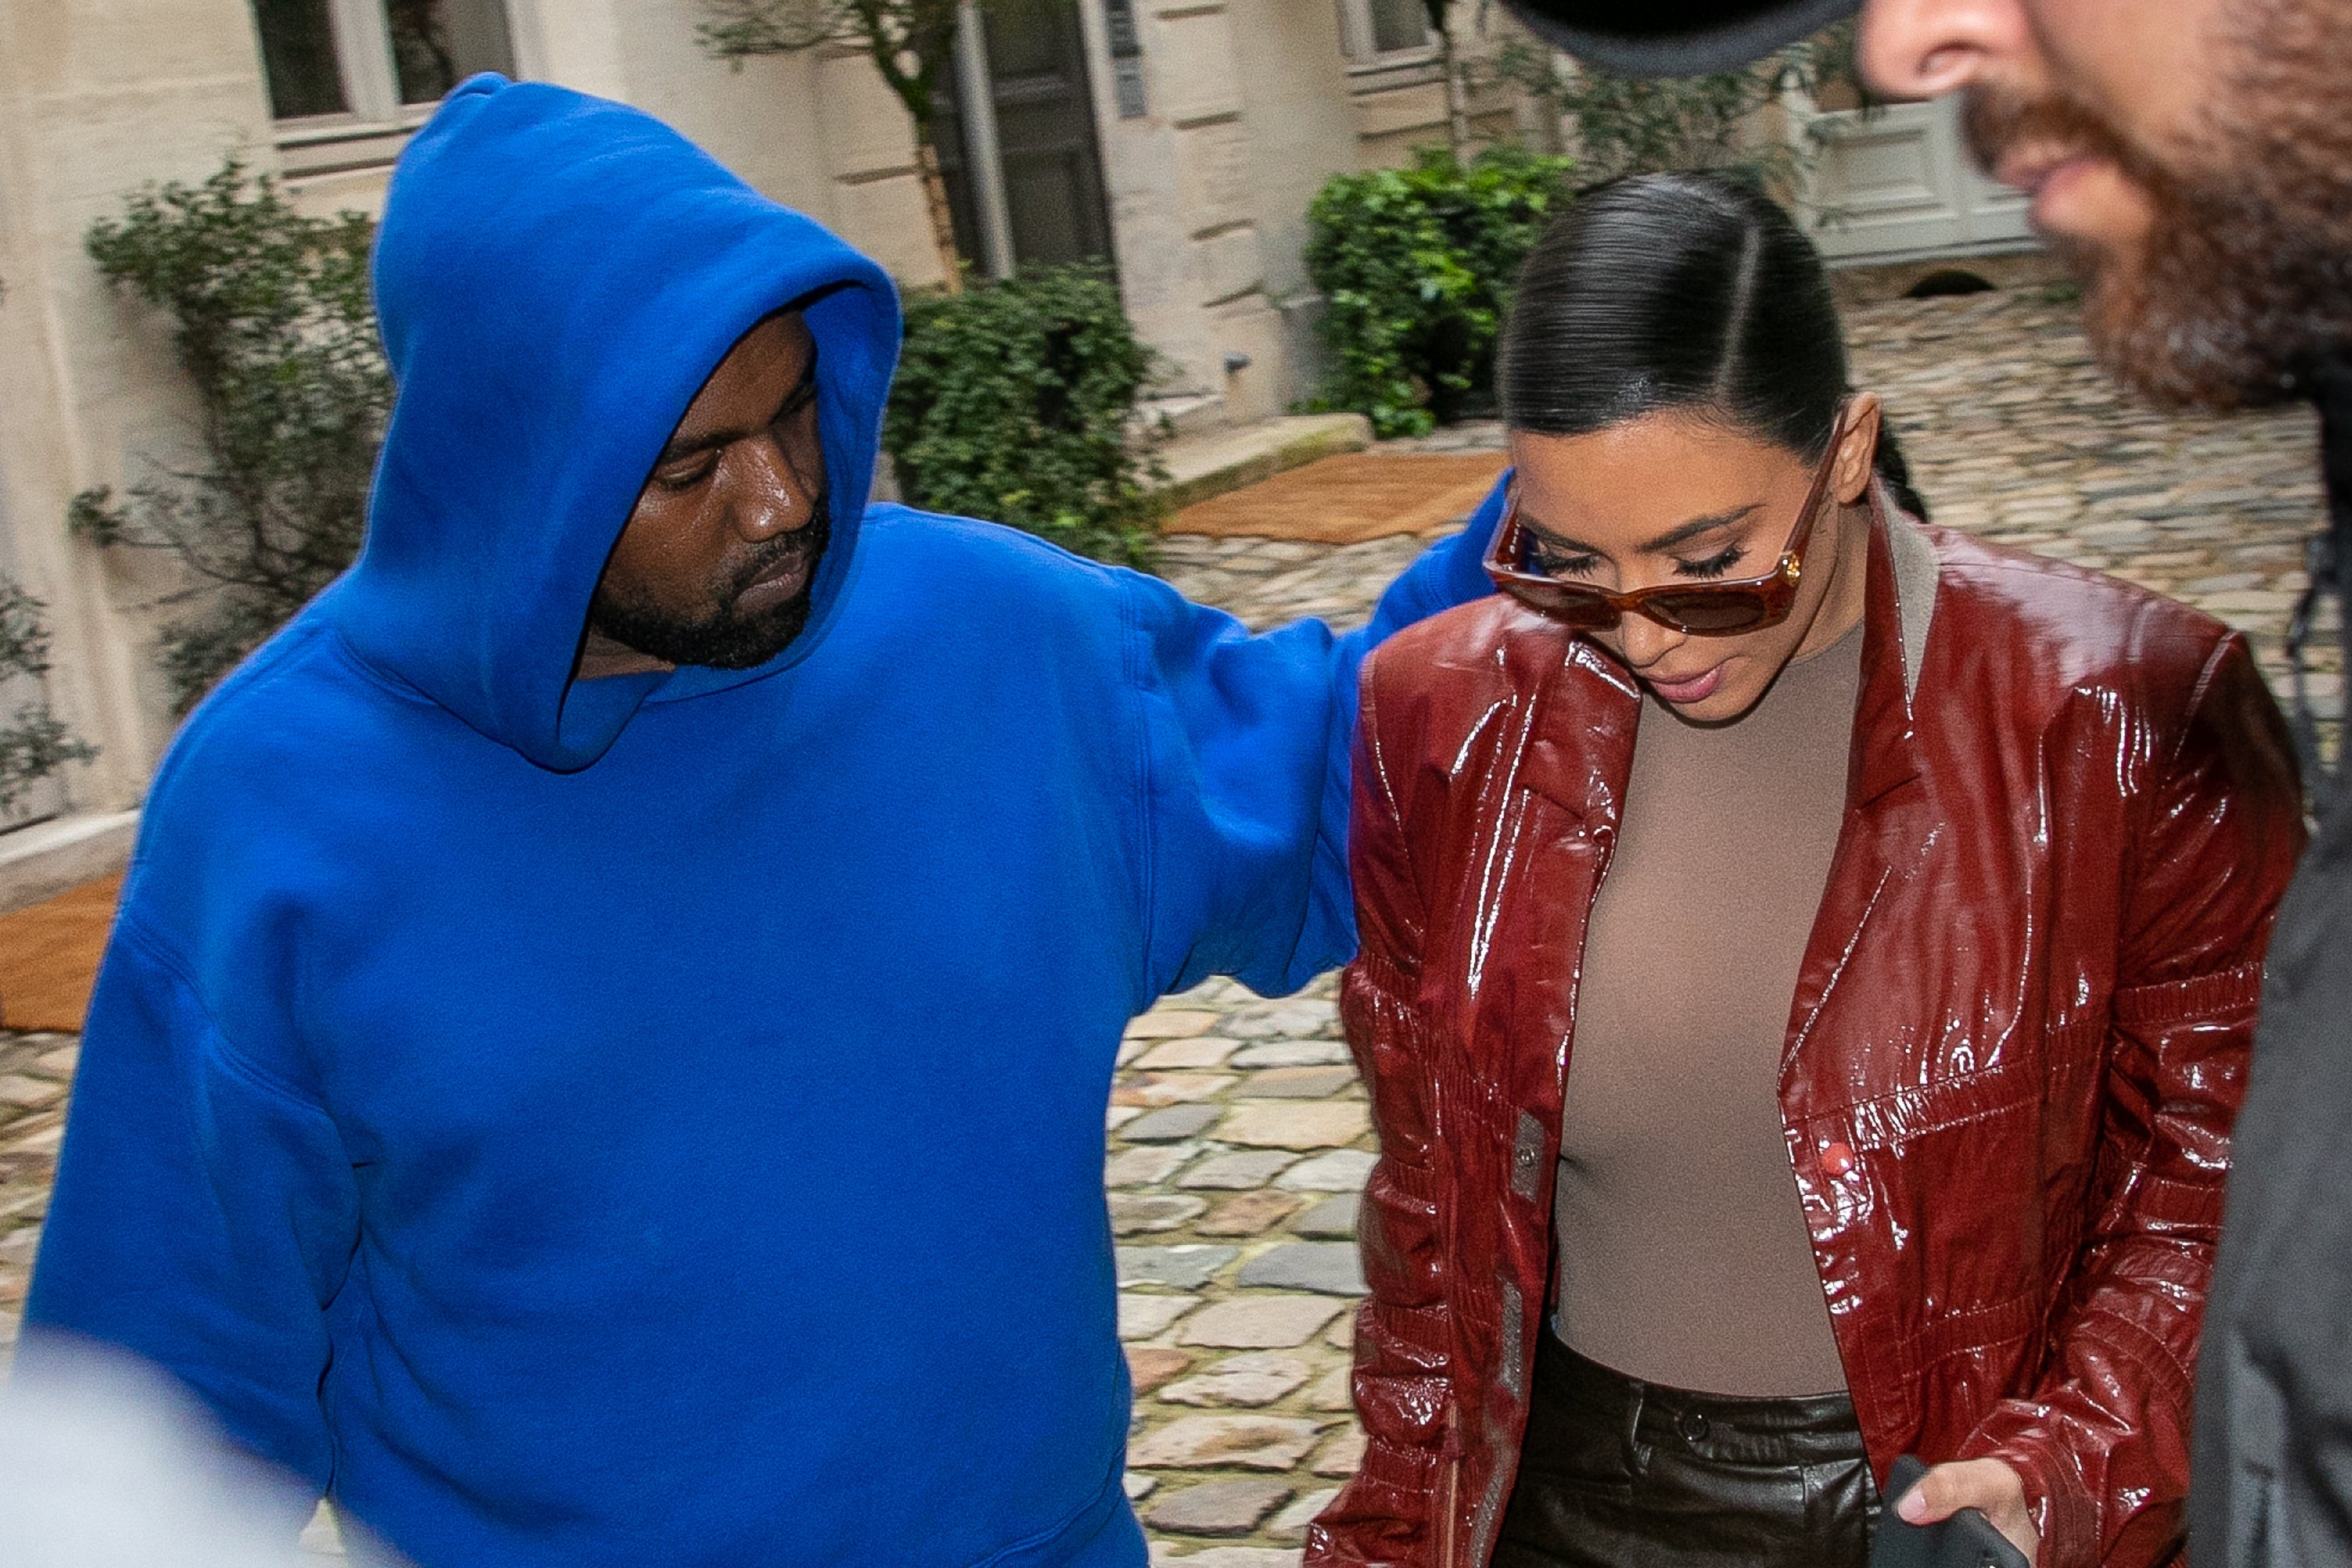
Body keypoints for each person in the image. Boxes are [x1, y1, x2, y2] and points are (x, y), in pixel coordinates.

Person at [24, 76, 1497, 1568]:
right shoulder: (280, 812)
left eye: (797, 410)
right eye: (689, 468)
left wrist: (1593, 505)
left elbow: (1377, 770)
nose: (785, 498)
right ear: (510, 475)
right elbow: (152, 1428)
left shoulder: (1002, 645)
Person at [1304, 172, 2307, 1568]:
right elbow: (1431, 1212)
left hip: (1940, 1511)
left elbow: (2235, 1173)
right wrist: (1392, 1533)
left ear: (1847, 450)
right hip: (1556, 1500)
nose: (1643, 634)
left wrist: (2068, 1465)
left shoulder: (2134, 710)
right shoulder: (1441, 716)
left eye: (1708, 560)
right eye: (1569, 562)